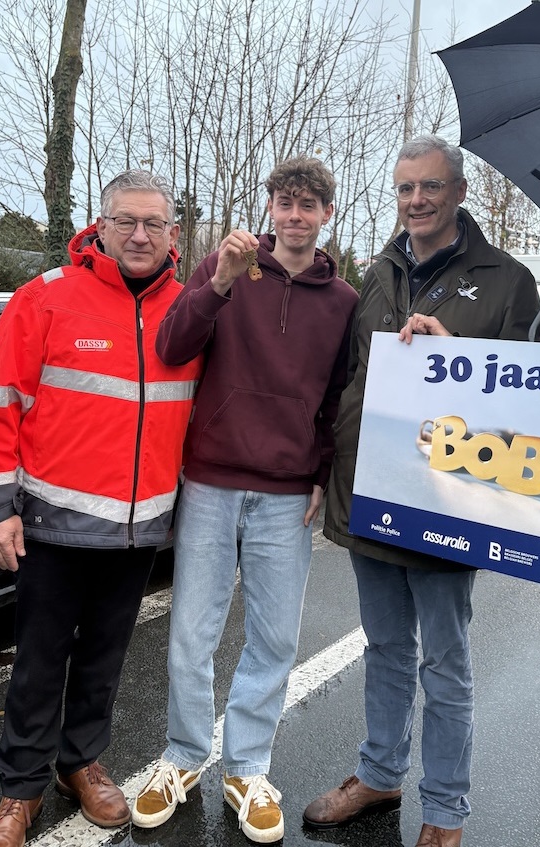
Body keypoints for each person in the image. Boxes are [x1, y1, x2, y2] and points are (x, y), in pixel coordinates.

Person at [302, 135, 540, 847]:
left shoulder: (507, 279)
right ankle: (379, 772)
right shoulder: (378, 270)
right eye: (405, 188)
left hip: (448, 501)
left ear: (459, 192)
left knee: (445, 658)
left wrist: (455, 359)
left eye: (430, 187)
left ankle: (445, 809)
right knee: (384, 646)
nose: (416, 201)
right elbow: (348, 373)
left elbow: (534, 399)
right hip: (370, 489)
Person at [131, 156, 358, 843]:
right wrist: (220, 286)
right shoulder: (224, 268)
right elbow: (171, 345)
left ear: (326, 215)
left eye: (307, 204)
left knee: (274, 635)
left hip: (287, 490)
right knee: (192, 629)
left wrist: (320, 467)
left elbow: (336, 394)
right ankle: (183, 754)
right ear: (270, 209)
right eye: (284, 203)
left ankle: (248, 766)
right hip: (211, 478)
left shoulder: (343, 301)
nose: (294, 215)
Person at [0, 170, 201, 847]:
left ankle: (80, 762)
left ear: (173, 235)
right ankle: (20, 788)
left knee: (105, 657)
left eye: (152, 224)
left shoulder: (187, 311)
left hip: (139, 532)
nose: (139, 234)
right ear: (99, 226)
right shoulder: (44, 298)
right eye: (125, 221)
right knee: (40, 660)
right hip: (52, 527)